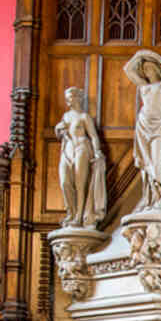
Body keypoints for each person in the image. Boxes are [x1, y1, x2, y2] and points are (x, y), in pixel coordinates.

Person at [124, 50, 161, 213]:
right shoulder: (144, 87)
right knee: (147, 167)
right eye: (144, 70)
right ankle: (157, 199)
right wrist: (140, 55)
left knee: (157, 167)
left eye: (149, 68)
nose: (146, 72)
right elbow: (128, 69)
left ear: (156, 69)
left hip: (160, 127)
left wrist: (160, 59)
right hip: (144, 127)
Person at [54, 86, 107, 228]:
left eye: (71, 96)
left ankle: (79, 216)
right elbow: (60, 134)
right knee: (65, 182)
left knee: (80, 183)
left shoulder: (84, 117)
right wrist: (58, 129)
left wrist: (97, 151)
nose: (68, 100)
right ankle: (70, 212)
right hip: (68, 149)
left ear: (78, 98)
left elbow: (94, 136)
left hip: (82, 147)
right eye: (67, 97)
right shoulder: (65, 117)